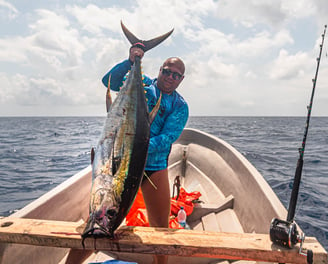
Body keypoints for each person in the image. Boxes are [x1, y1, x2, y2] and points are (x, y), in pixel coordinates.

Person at [102, 43, 189, 232]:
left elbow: (167, 138)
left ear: (181, 79)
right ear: (160, 70)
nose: (170, 77)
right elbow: (108, 81)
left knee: (161, 228)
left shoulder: (179, 106)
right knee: (99, 218)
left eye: (176, 75)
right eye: (167, 71)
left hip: (153, 168)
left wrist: (134, 145)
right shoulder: (142, 82)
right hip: (119, 163)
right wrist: (131, 61)